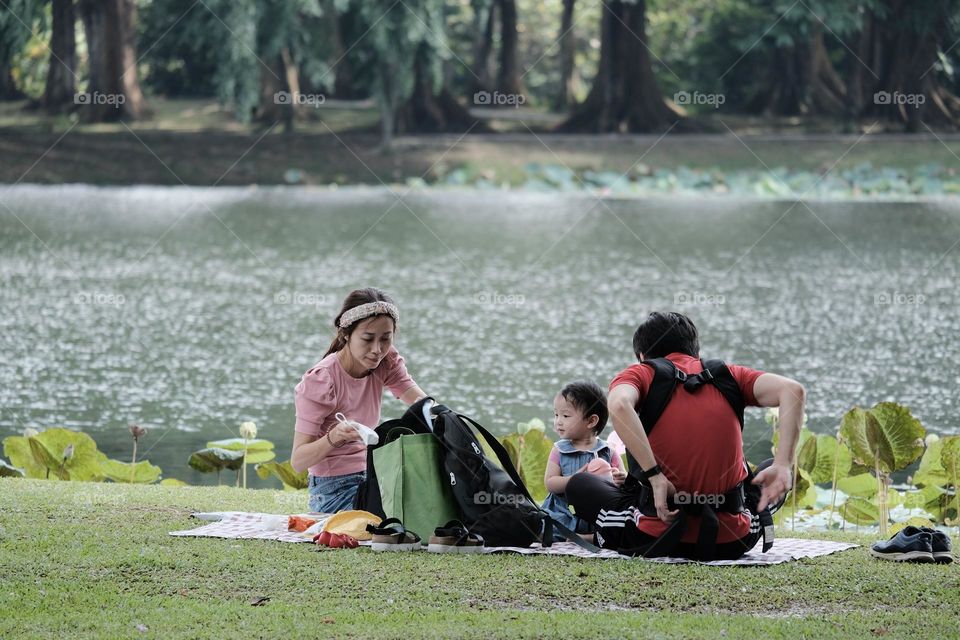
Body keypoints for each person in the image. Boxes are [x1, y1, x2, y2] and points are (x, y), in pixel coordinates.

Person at [566, 311, 804, 561]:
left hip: (656, 538)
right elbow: (793, 390)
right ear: (695, 352)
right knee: (771, 469)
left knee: (579, 486)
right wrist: (783, 464)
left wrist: (655, 477)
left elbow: (618, 405)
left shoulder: (641, 373)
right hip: (733, 540)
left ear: (642, 357)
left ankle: (608, 532)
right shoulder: (730, 375)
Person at [290, 288, 427, 513]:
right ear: (346, 335)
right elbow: (298, 461)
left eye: (386, 338)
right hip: (333, 490)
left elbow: (420, 402)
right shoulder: (322, 380)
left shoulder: (386, 362)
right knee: (402, 516)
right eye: (367, 339)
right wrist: (334, 437)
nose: (377, 350)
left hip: (373, 477)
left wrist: (441, 418)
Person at [541, 381, 627, 540]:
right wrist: (574, 480)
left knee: (617, 527)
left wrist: (620, 479)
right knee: (547, 530)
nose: (558, 421)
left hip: (596, 515)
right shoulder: (559, 450)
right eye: (556, 415)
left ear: (591, 421)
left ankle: (590, 537)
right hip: (564, 513)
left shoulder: (608, 451)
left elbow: (623, 486)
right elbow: (550, 484)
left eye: (565, 416)